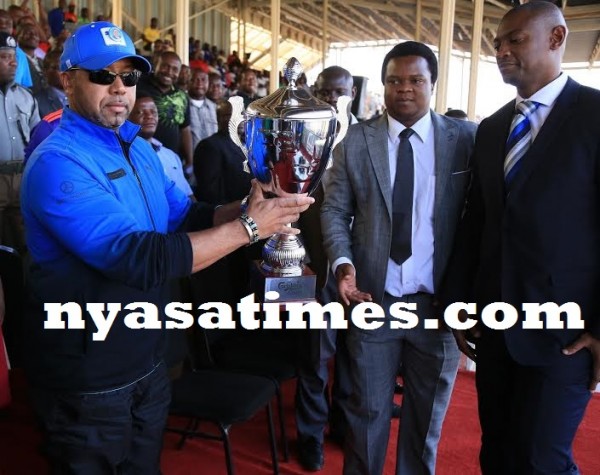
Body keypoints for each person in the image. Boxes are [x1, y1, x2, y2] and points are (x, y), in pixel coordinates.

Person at [20, 22, 313, 473]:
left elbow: (187, 216)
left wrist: (248, 205)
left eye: (129, 76)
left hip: (148, 361)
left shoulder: (138, 149)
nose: (119, 88)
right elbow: (139, 257)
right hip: (89, 377)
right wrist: (252, 228)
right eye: (103, 75)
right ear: (67, 80)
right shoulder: (58, 163)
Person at [441, 3, 600, 474]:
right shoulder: (491, 129)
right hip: (495, 327)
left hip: (565, 334)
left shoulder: (594, 116)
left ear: (556, 39)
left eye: (515, 40)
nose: (502, 51)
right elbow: (478, 224)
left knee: (542, 461)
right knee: (499, 455)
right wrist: (458, 301)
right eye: (497, 43)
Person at [320, 41, 477, 475]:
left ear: (433, 84)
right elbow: (335, 210)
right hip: (374, 301)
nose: (403, 89)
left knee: (425, 425)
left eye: (415, 81)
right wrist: (343, 266)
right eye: (394, 81)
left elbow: (481, 218)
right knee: (365, 416)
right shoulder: (355, 140)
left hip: (439, 309)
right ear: (383, 85)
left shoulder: (465, 139)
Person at [295, 64, 357, 472]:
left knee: (356, 356)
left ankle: (343, 425)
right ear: (315, 92)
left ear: (351, 92)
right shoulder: (298, 136)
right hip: (316, 266)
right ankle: (310, 437)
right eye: (325, 90)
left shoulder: (370, 136)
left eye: (339, 91)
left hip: (362, 268)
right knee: (314, 359)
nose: (332, 97)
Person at [0, 32, 40, 252]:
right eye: (6, 56)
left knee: (26, 246)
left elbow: (38, 137)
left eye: (14, 56)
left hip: (23, 179)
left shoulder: (26, 97)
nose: (14, 62)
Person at [137, 50, 194, 175]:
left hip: (171, 160)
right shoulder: (138, 86)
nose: (169, 72)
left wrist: (190, 161)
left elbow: (185, 129)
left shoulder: (182, 96)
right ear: (156, 64)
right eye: (165, 66)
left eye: (175, 69)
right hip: (141, 157)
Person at [130, 94, 195, 200]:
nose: (149, 116)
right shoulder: (126, 157)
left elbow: (188, 194)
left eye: (153, 112)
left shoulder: (171, 155)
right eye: (140, 112)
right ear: (128, 118)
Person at [188, 68, 217, 152]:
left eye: (203, 80)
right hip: (190, 160)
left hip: (212, 157)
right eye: (195, 79)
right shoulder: (182, 106)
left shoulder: (215, 108)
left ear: (208, 83)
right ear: (188, 82)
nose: (199, 83)